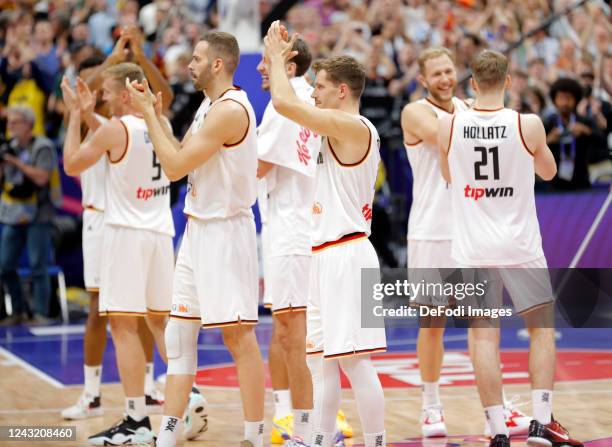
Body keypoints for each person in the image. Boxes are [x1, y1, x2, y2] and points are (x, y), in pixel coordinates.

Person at [125, 31, 265, 447]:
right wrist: (155, 114)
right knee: (178, 336)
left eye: (197, 58)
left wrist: (150, 115)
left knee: (238, 338)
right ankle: (167, 437)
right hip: (197, 229)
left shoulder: (230, 110)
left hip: (225, 232)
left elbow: (173, 168)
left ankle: (254, 437)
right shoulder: (208, 104)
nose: (190, 64)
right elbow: (178, 150)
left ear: (218, 64)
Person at [438, 49, 583, 447]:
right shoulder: (528, 124)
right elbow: (550, 172)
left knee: (483, 337)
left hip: (471, 247)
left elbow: (449, 175)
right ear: (507, 81)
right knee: (541, 331)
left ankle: (498, 429)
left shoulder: (449, 125)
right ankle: (540, 422)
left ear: (471, 83)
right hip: (520, 243)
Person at [264, 21, 386, 447]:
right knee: (321, 363)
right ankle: (317, 438)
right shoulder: (329, 126)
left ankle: (376, 441)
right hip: (322, 252)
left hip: (348, 253)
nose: (312, 91)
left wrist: (278, 58)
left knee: (355, 363)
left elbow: (284, 102)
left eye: (319, 85)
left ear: (341, 91)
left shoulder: (357, 128)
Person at [401, 47, 529, 439]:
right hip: (431, 230)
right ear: (422, 79)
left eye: (448, 71)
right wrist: (491, 115)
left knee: (484, 324)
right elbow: (446, 133)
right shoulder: (416, 112)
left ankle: (498, 408)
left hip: (471, 229)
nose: (443, 78)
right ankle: (430, 405)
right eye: (435, 73)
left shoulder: (466, 108)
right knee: (432, 322)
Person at [62, 62, 174, 445]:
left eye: (109, 92)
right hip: (160, 232)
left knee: (122, 326)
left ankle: (135, 421)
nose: (104, 98)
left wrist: (77, 112)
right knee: (160, 324)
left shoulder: (116, 129)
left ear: (125, 94)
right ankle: (186, 401)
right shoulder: (162, 125)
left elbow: (72, 163)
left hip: (125, 234)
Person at [0, 105, 60, 325]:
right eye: (9, 123)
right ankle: (18, 311)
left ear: (28, 125)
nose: (10, 127)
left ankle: (40, 313)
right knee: (4, 265)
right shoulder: (9, 146)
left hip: (38, 215)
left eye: (15, 123)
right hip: (12, 213)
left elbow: (42, 178)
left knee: (38, 266)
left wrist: (16, 163)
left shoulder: (42, 146)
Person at [545, 77, 607, 190]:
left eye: (568, 98)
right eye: (560, 98)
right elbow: (534, 151)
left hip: (581, 182)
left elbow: (603, 142)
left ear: (576, 100)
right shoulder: (548, 123)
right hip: (555, 185)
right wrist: (548, 140)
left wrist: (587, 131)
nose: (564, 103)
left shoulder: (585, 121)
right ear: (554, 100)